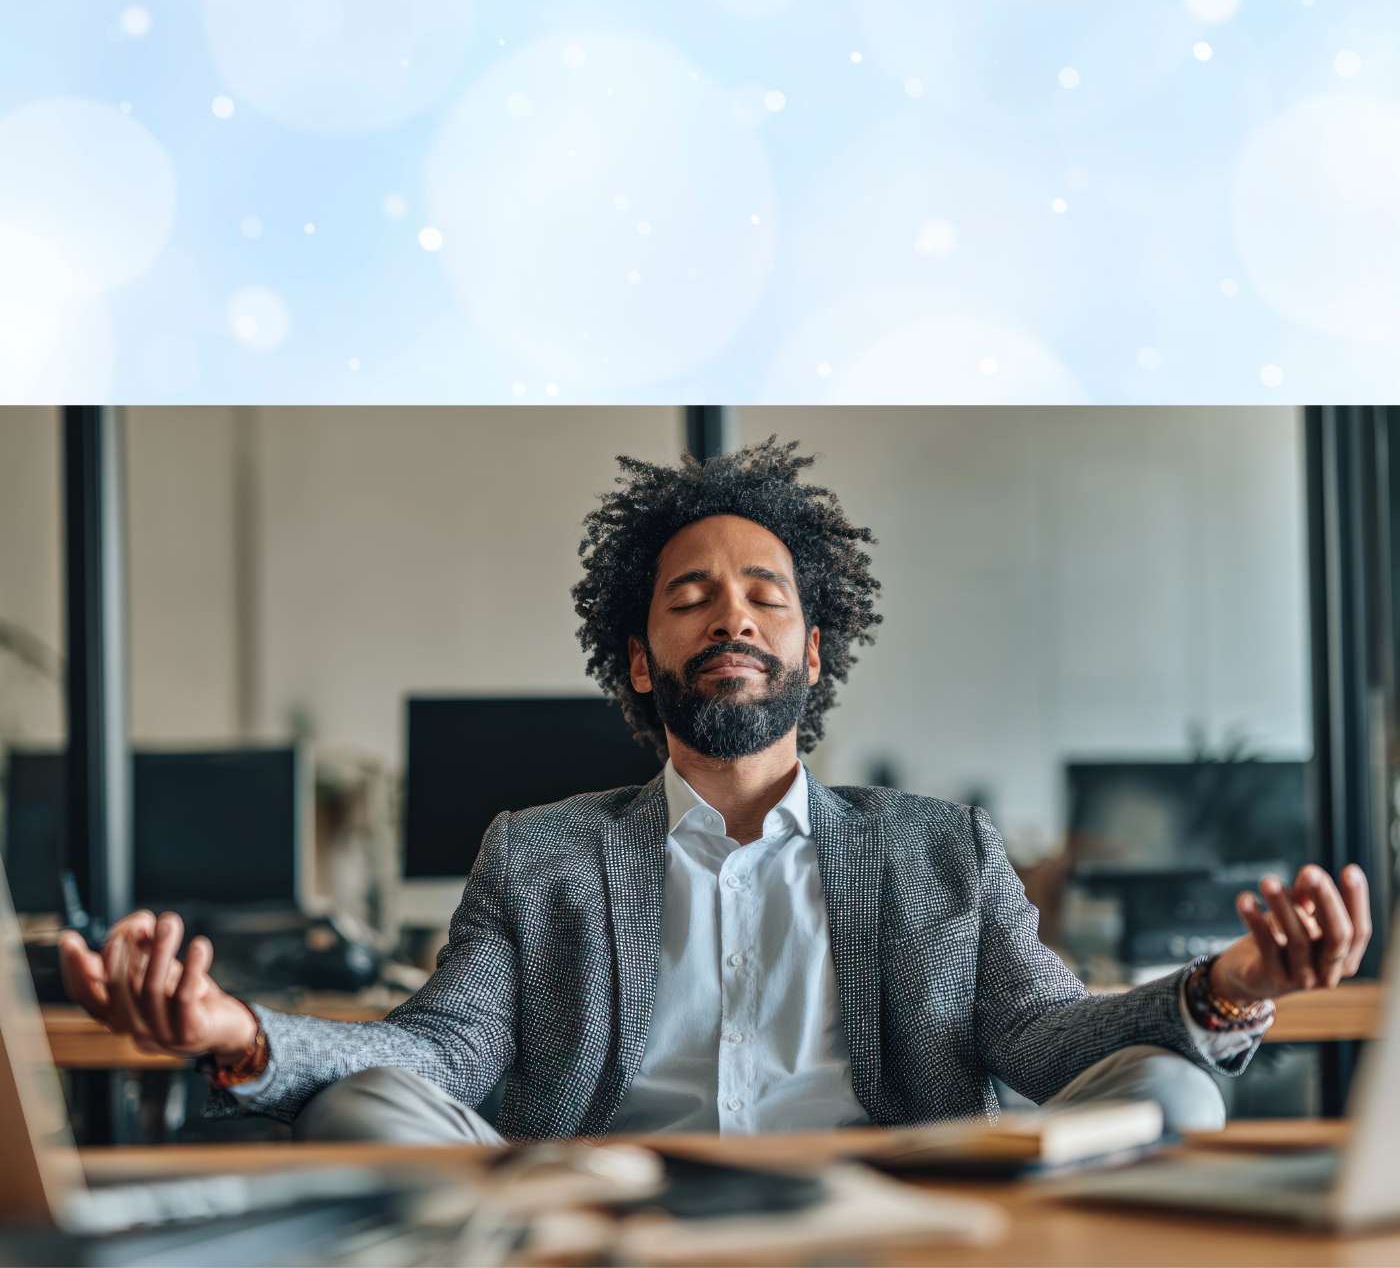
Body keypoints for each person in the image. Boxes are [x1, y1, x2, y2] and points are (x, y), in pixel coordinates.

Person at [61, 439, 1372, 1145]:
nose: (729, 615)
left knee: (1178, 1095)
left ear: (814, 650)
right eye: (689, 597)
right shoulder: (540, 854)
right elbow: (436, 1056)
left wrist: (1232, 984)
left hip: (893, 1206)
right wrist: (239, 1028)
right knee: (360, 1105)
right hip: (600, 1219)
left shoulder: (940, 851)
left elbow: (1045, 1040)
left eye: (765, 597)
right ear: (641, 660)